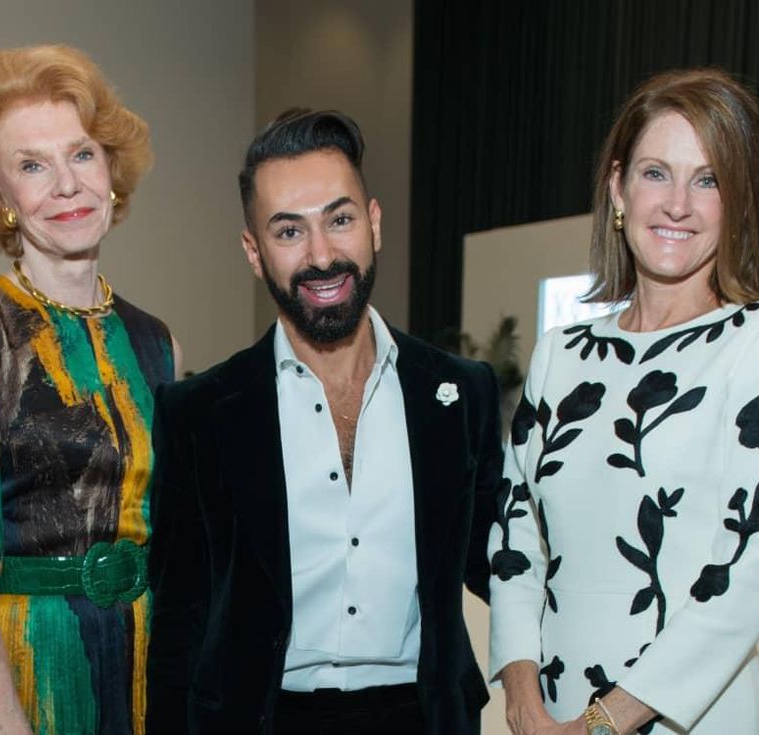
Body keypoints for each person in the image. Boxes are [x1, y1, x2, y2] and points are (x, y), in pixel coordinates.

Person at [489, 69, 759, 735]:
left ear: (739, 202)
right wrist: (525, 702)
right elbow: (513, 536)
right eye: (655, 173)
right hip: (551, 711)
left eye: (708, 180)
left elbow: (748, 576)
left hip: (692, 720)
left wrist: (599, 725)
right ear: (618, 188)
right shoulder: (561, 353)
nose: (678, 204)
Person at [146, 108, 503, 734]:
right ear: (254, 253)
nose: (321, 255)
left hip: (423, 718)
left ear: (374, 223)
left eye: (339, 220)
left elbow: (500, 567)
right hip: (262, 719)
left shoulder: (461, 393)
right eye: (289, 231)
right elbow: (180, 620)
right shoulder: (197, 413)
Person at [0, 45, 180, 734]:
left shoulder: (155, 341)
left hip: (140, 673)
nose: (67, 185)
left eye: (81, 154)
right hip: (20, 674)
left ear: (110, 171)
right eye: (31, 166)